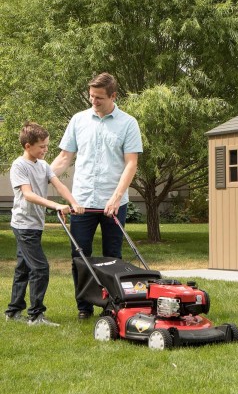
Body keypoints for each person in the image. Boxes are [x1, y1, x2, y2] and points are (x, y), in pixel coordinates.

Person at [50, 73, 143, 320]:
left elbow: (131, 163)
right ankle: (84, 307)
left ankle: (112, 307)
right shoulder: (79, 120)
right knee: (80, 256)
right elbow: (64, 157)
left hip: (114, 203)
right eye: (91, 96)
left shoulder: (128, 123)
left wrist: (116, 196)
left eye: (99, 97)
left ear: (113, 96)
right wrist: (41, 175)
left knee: (113, 257)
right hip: (81, 203)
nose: (94, 101)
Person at [5, 122, 84, 326]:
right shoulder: (19, 166)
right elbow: (29, 194)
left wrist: (73, 203)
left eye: (47, 146)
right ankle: (36, 315)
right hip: (24, 225)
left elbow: (59, 185)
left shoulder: (43, 166)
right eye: (42, 146)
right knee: (40, 269)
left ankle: (13, 311)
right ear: (27, 146)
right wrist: (56, 206)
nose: (45, 150)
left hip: (35, 224)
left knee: (23, 268)